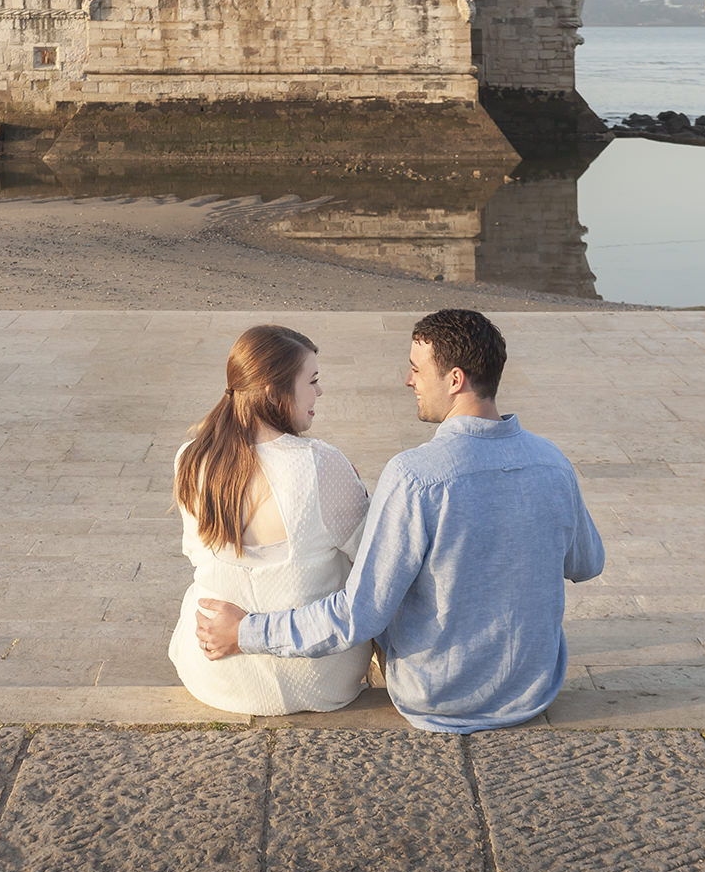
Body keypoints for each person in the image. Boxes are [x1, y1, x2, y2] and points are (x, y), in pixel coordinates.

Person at [198, 309, 605, 733]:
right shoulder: (553, 463)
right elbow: (587, 564)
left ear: (454, 380)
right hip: (532, 690)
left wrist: (247, 631)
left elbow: (359, 616)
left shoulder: (414, 475)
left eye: (416, 370)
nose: (408, 381)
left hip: (437, 696)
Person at [169, 324, 373, 715]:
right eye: (311, 381)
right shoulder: (322, 464)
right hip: (319, 679)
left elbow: (196, 553)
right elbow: (372, 559)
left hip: (213, 674)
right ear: (272, 391)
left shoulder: (190, 459)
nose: (319, 392)